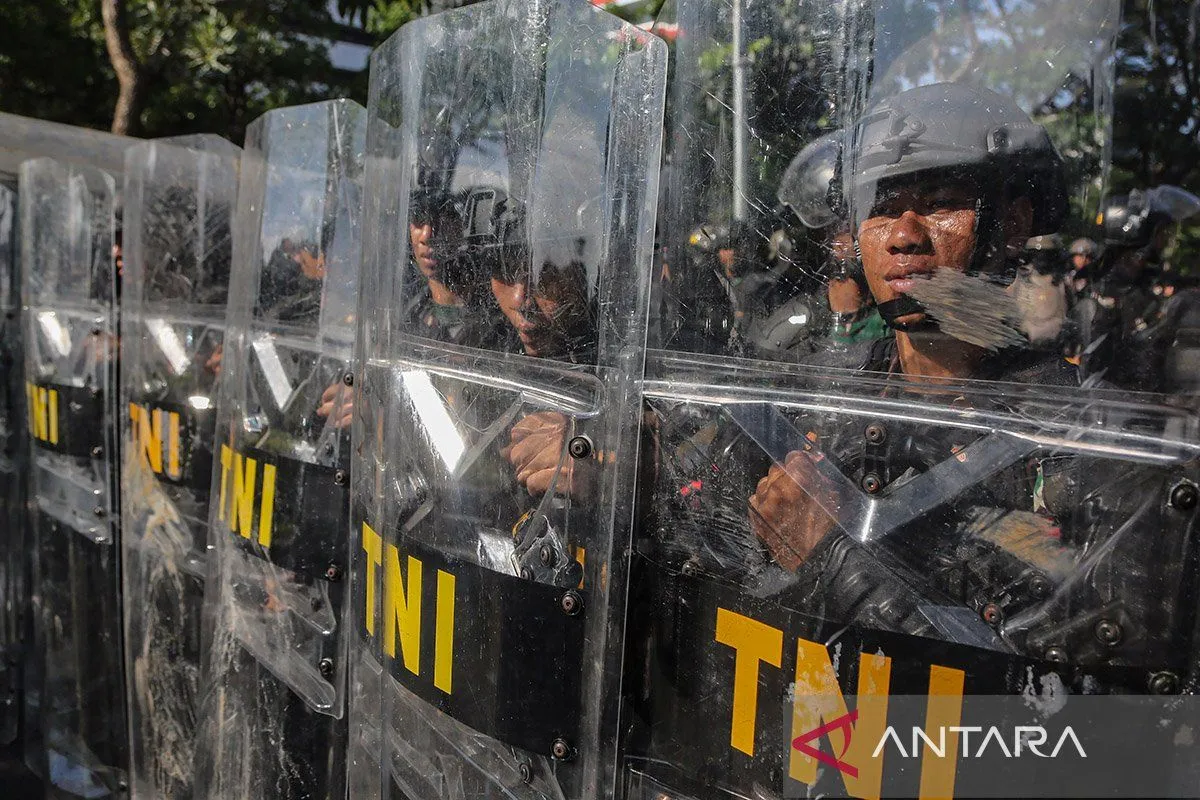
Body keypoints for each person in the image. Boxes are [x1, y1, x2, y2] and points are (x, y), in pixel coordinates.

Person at [746, 82, 1101, 645]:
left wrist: (830, 558)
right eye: (882, 209)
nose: (905, 236)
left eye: (939, 204)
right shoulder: (831, 385)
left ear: (1010, 224)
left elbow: (1045, 696)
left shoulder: (1068, 429)